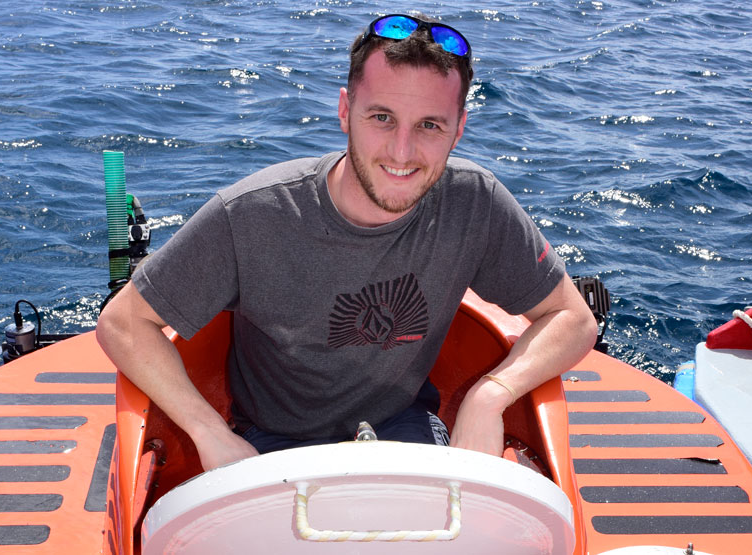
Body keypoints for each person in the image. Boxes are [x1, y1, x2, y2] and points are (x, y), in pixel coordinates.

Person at [96, 13, 597, 471]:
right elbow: (123, 324)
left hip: (405, 430)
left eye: (429, 125)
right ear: (344, 111)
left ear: (459, 129)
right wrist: (208, 432)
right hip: (272, 445)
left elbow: (573, 319)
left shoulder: (476, 203)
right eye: (381, 118)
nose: (402, 151)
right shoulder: (251, 215)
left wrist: (491, 395)